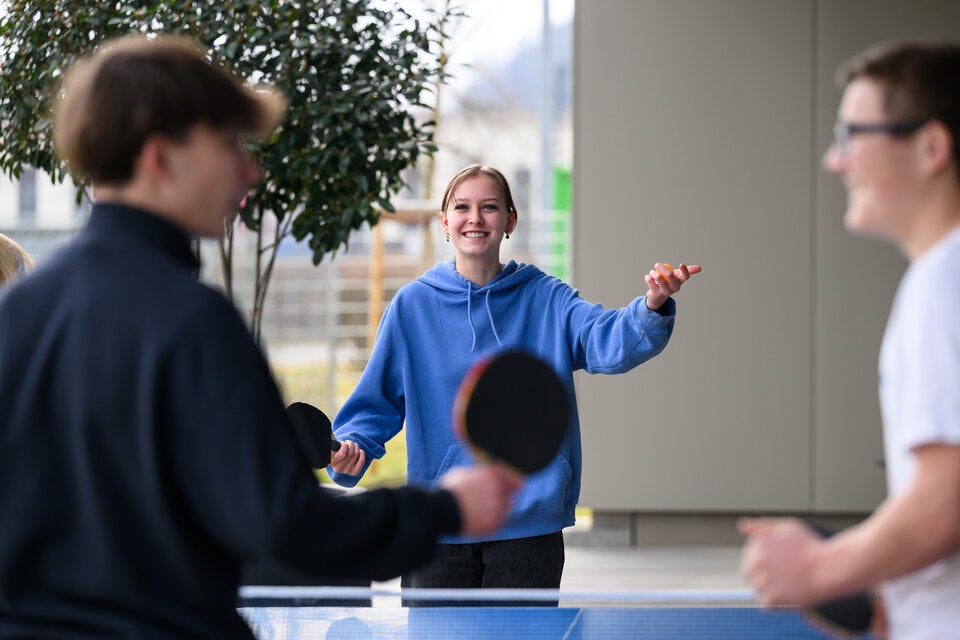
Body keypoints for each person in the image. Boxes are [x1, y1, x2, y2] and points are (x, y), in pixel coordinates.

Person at [0, 35, 519, 639]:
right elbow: (289, 526)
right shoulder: (191, 324)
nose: (250, 171)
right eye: (229, 146)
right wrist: (447, 507)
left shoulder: (20, 313)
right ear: (159, 157)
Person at [328, 163, 701, 595]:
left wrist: (651, 306)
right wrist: (353, 445)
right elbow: (376, 402)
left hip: (528, 526)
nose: (475, 218)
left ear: (509, 220)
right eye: (462, 207)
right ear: (445, 222)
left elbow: (608, 341)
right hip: (440, 525)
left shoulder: (547, 297)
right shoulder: (412, 306)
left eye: (490, 207)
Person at [739, 39, 960, 639]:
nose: (835, 161)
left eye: (852, 135)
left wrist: (823, 567)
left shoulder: (943, 283)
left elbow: (948, 498)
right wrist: (886, 583)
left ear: (931, 147)